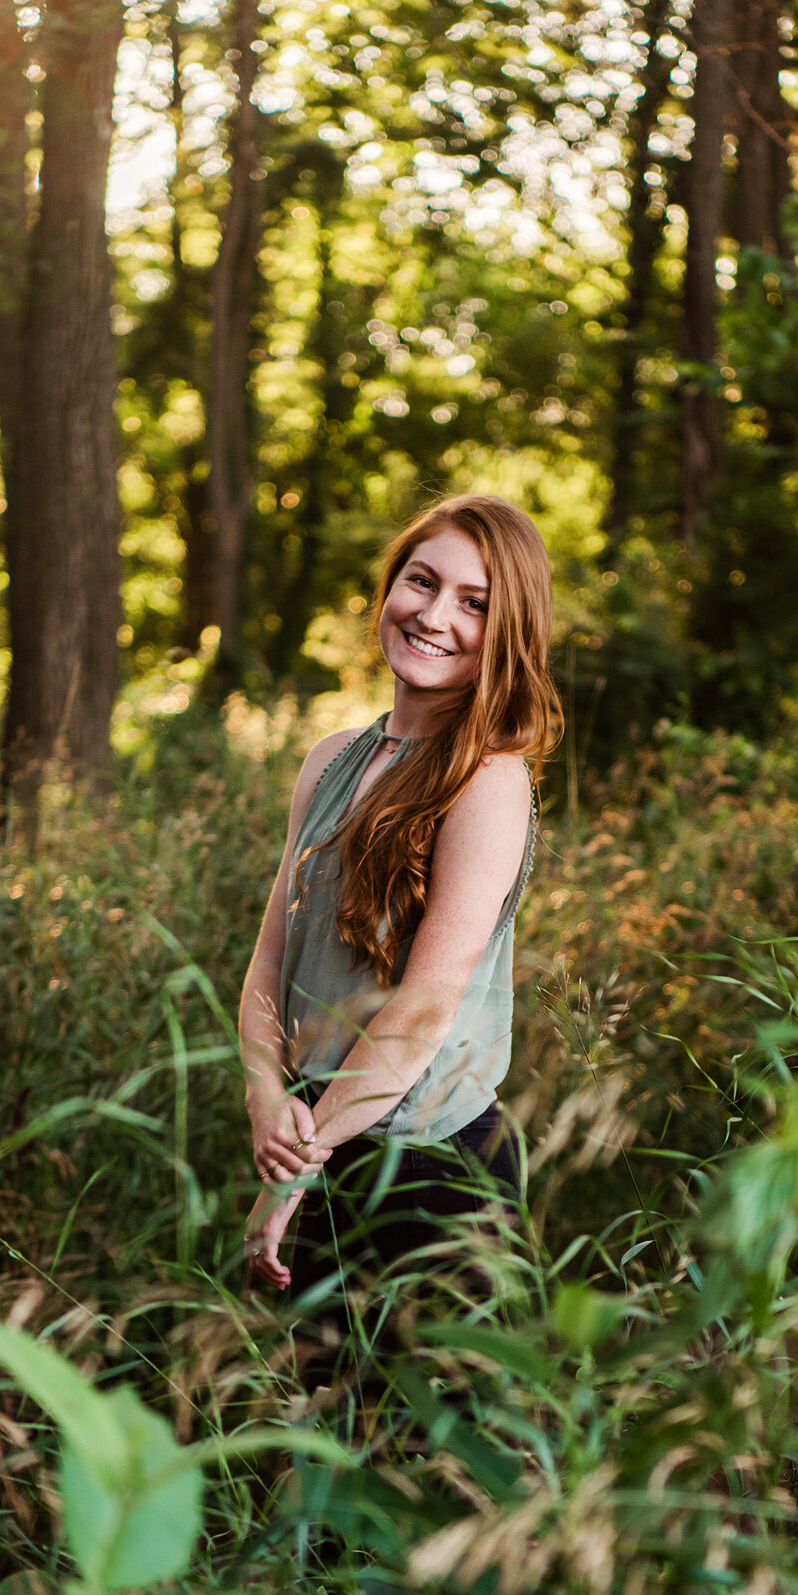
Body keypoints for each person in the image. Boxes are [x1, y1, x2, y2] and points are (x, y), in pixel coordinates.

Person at [239, 493, 562, 1308]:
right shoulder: (331, 759)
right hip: (321, 1137)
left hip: (429, 1165)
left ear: (507, 633)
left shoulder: (488, 779)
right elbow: (271, 957)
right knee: (319, 1419)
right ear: (389, 588)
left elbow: (422, 1012)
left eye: (473, 604)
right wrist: (265, 1097)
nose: (434, 615)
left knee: (418, 1436)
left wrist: (294, 1168)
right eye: (421, 582)